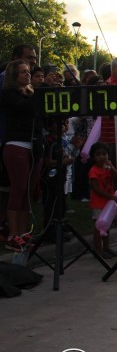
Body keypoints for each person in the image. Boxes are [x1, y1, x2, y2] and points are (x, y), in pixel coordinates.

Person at [0, 60, 39, 251]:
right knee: (18, 189)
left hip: (31, 145)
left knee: (27, 192)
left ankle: (23, 233)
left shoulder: (30, 94)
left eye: (28, 71)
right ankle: (12, 234)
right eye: (23, 72)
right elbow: (23, 108)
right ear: (14, 75)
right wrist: (38, 91)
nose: (27, 75)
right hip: (16, 144)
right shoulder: (8, 94)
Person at [88, 142, 117, 258]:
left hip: (108, 203)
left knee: (107, 226)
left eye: (104, 154)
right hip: (98, 203)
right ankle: (98, 250)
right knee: (99, 227)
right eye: (98, 155)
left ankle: (106, 247)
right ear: (93, 157)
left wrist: (111, 167)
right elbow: (95, 188)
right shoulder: (93, 171)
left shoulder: (108, 168)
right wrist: (110, 197)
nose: (102, 157)